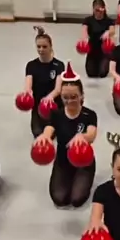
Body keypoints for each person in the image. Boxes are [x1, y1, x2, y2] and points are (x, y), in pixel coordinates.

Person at [35, 63, 97, 208]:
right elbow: (49, 130)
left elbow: (92, 134)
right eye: (65, 97)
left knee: (77, 199)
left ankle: (85, 175)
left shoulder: (89, 114)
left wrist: (83, 137)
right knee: (59, 199)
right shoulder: (56, 114)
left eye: (74, 96)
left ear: (81, 96)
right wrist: (44, 137)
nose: (69, 101)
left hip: (83, 161)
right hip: (63, 161)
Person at [24, 26, 65, 138]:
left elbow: (58, 89)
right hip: (38, 105)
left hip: (53, 104)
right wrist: (27, 93)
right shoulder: (31, 65)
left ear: (51, 47)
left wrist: (49, 98)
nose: (41, 49)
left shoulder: (59, 65)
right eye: (38, 47)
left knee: (52, 134)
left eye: (44, 46)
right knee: (38, 133)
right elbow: (28, 84)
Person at [82, 0, 115, 78]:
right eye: (96, 10)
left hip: (104, 51)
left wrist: (108, 32)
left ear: (104, 9)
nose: (98, 13)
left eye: (100, 10)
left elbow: (112, 30)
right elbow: (84, 30)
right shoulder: (88, 20)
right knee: (91, 73)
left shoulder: (109, 21)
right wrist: (84, 39)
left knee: (102, 73)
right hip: (92, 50)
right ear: (93, 9)